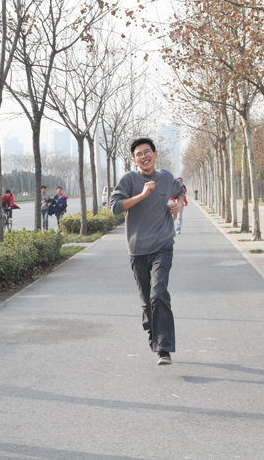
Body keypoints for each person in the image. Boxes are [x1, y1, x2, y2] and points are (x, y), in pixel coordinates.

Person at [110, 137, 185, 366]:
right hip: (138, 249)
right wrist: (141, 196)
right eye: (139, 154)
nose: (144, 156)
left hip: (163, 245)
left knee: (158, 293)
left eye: (147, 152)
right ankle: (153, 331)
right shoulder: (129, 180)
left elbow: (180, 191)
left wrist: (179, 203)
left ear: (155, 153)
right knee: (147, 300)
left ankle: (164, 349)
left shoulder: (166, 177)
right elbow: (115, 207)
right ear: (135, 160)